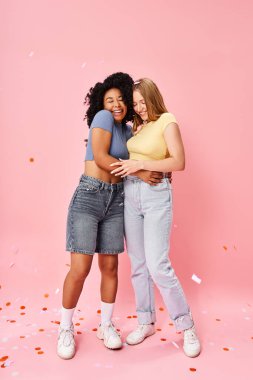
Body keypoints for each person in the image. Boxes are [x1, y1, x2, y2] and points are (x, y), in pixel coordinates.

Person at [57, 73, 162, 359]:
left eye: (120, 100)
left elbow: (139, 154)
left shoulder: (128, 132)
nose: (116, 105)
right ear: (101, 103)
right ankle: (65, 328)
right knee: (80, 268)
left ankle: (105, 325)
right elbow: (102, 157)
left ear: (128, 102)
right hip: (90, 197)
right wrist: (142, 171)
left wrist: (160, 169)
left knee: (110, 268)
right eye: (109, 99)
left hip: (117, 201)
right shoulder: (102, 118)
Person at [110, 78, 201, 358]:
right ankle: (145, 321)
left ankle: (186, 326)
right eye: (135, 104)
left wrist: (141, 164)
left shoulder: (167, 121)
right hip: (130, 194)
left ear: (153, 98)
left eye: (142, 102)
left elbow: (178, 161)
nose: (139, 108)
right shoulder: (136, 127)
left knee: (157, 264)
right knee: (138, 264)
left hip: (156, 194)